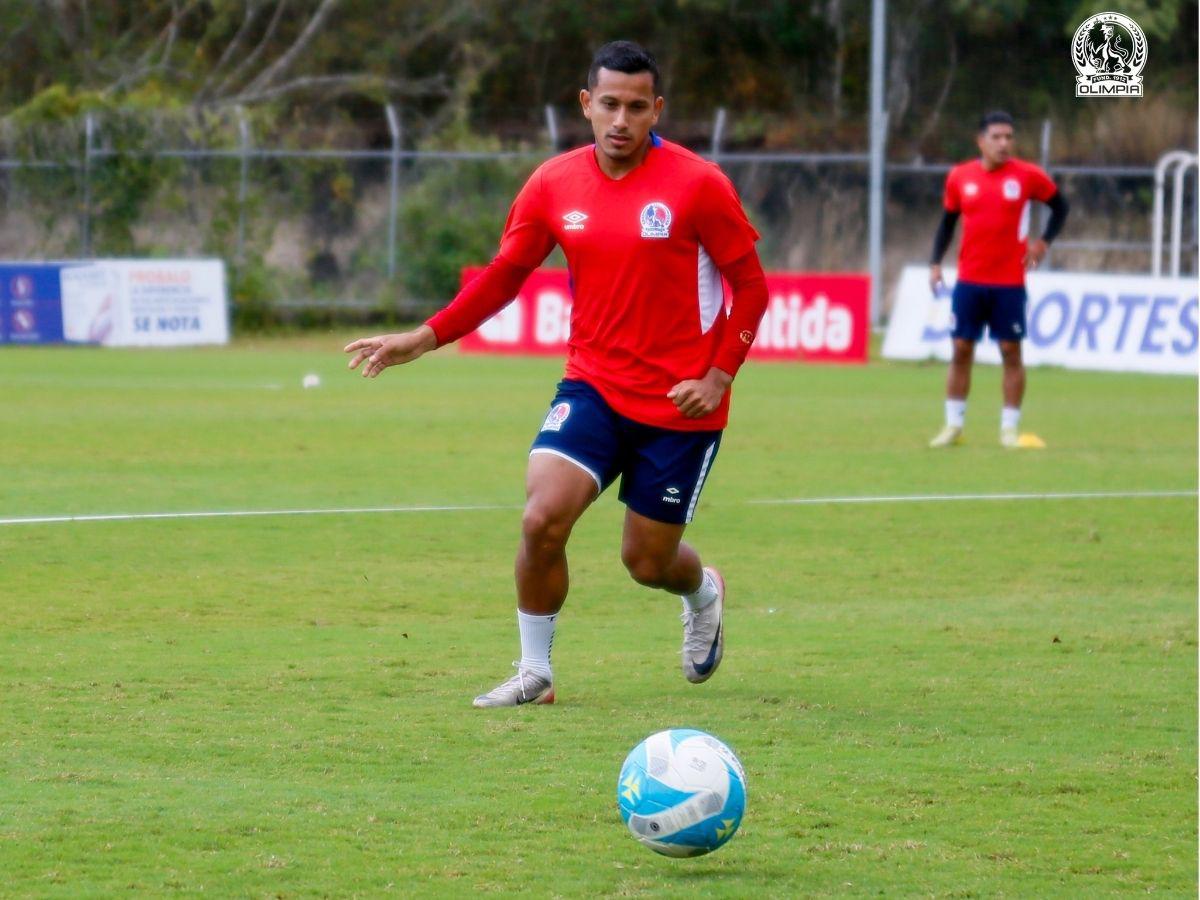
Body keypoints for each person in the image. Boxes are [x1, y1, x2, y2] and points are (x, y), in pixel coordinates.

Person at [344, 41, 769, 707]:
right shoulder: (552, 184)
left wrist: (718, 377)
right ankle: (534, 672)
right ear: (585, 105)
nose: (621, 119)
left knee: (647, 563)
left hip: (681, 405)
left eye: (636, 106)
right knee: (542, 518)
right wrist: (423, 338)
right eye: (609, 104)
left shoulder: (699, 184)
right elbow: (503, 278)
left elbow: (751, 287)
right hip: (593, 387)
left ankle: (702, 592)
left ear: (657, 110)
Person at [928, 110, 1069, 449]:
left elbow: (1061, 206)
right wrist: (935, 262)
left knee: (1011, 351)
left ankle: (1008, 429)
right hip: (970, 281)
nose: (1004, 143)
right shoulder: (960, 177)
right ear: (981, 141)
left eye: (1009, 137)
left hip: (1009, 283)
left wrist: (1043, 242)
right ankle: (953, 426)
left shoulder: (1027, 176)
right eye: (997, 137)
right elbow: (947, 222)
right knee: (961, 349)